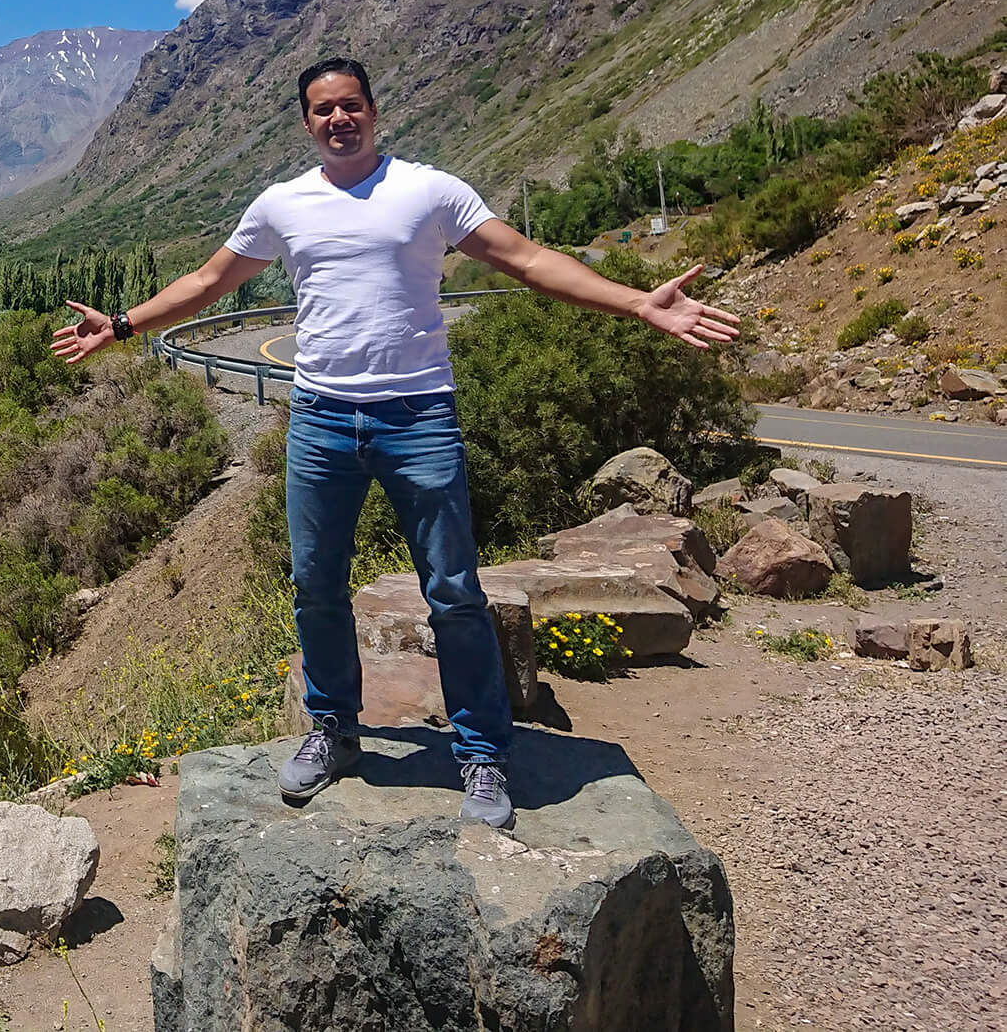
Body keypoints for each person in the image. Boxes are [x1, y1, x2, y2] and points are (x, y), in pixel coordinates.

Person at [50, 56, 737, 828]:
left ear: (375, 112)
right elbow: (211, 282)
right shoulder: (283, 204)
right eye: (323, 110)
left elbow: (527, 259)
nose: (338, 119)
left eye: (351, 106)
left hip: (419, 418)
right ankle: (335, 730)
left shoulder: (430, 192)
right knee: (316, 586)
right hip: (319, 421)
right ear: (306, 124)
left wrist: (637, 303)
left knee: (453, 590)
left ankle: (480, 753)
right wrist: (123, 325)